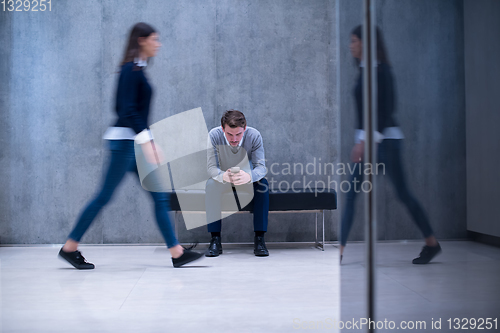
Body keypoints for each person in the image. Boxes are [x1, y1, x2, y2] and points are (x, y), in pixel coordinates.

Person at [59, 22, 202, 269]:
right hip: (124, 144)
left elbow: (129, 110)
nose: (159, 44)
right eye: (154, 39)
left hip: (134, 143)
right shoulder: (130, 70)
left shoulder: (138, 69)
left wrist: (146, 140)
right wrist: (147, 140)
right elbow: (125, 109)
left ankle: (177, 252)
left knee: (159, 197)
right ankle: (70, 247)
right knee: (104, 197)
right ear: (141, 40)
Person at [340, 25, 441, 264]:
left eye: (354, 40)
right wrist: (362, 141)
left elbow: (386, 111)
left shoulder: (382, 71)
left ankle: (431, 242)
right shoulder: (364, 71)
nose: (350, 45)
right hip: (367, 144)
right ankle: (340, 251)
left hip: (387, 142)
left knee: (403, 194)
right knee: (352, 195)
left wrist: (365, 141)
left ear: (365, 43)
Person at [205, 110, 270, 257]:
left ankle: (260, 239)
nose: (234, 139)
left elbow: (261, 167)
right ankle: (215, 239)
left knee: (263, 186)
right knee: (210, 185)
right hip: (224, 178)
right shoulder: (214, 135)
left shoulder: (254, 135)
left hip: (247, 178)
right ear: (223, 129)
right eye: (229, 134)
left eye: (238, 134)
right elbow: (211, 168)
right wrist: (223, 176)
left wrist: (249, 176)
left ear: (244, 128)